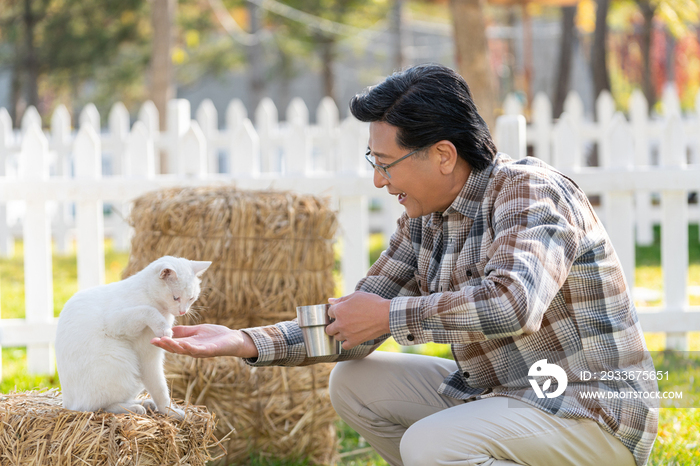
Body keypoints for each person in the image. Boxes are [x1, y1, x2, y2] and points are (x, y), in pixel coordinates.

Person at [152, 63, 658, 466]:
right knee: (354, 384)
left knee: (431, 446)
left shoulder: (529, 191)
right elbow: (353, 323)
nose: (379, 181)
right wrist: (244, 341)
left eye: (386, 164)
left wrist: (393, 316)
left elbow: (514, 302)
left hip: (591, 414)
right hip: (507, 399)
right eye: (374, 163)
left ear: (442, 154)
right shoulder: (424, 220)